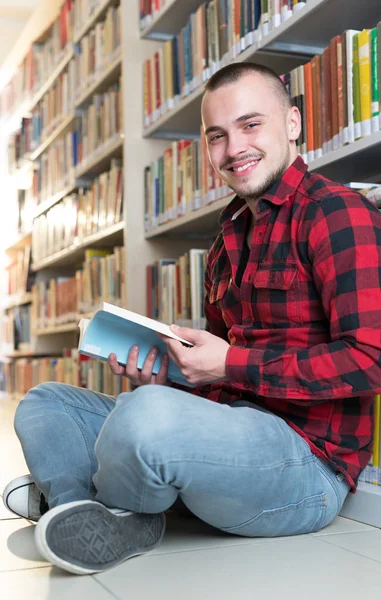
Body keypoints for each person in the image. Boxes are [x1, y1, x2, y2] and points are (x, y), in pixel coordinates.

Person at [4, 61, 381, 575]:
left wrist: (230, 367)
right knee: (48, 402)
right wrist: (172, 374)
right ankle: (78, 510)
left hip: (309, 465)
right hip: (227, 430)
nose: (234, 150)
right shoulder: (226, 239)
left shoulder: (338, 213)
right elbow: (217, 367)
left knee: (145, 417)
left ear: (292, 124)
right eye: (217, 136)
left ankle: (94, 498)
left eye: (252, 125)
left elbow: (370, 360)